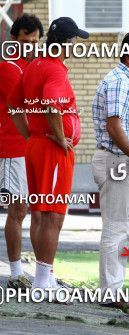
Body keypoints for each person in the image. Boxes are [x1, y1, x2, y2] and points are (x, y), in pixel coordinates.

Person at [7, 17, 88, 294]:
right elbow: (52, 105)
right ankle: (43, 281)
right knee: (53, 216)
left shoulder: (35, 65)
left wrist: (31, 135)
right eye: (75, 42)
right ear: (68, 44)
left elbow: (13, 104)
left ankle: (46, 276)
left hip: (36, 147)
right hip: (52, 151)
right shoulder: (54, 69)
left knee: (43, 213)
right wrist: (58, 137)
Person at [91, 30, 129, 309]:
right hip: (117, 161)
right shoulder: (119, 82)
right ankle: (112, 293)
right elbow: (114, 127)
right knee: (117, 229)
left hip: (121, 162)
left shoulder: (127, 81)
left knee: (121, 228)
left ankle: (113, 290)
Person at [0, 14, 43, 289]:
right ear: (14, 39)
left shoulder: (31, 67)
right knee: (16, 210)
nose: (31, 46)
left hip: (28, 148)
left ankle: (40, 274)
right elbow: (24, 107)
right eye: (26, 41)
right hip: (11, 147)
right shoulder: (8, 68)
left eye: (35, 42)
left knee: (28, 210)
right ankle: (15, 274)